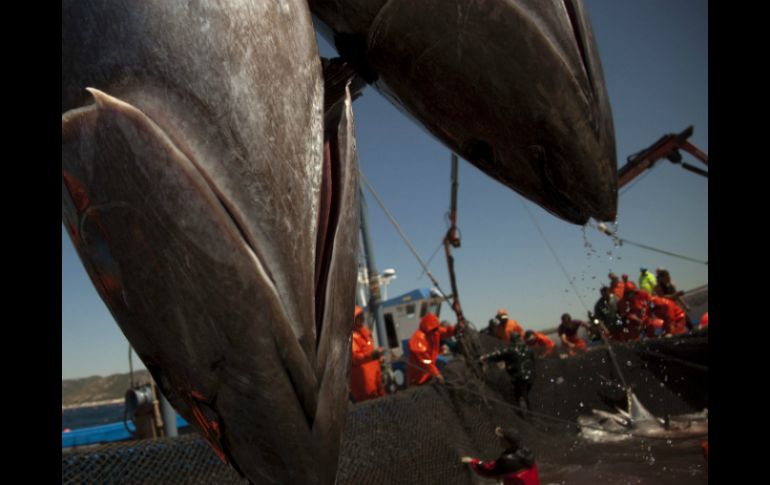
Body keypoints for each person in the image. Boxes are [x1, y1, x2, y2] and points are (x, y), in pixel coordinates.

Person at [462, 427, 540, 485]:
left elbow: (488, 470)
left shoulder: (507, 460)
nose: (499, 440)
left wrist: (473, 461)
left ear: (509, 443)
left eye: (502, 439)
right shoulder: (527, 452)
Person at [480, 333, 536, 412]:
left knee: (518, 395)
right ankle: (527, 410)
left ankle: (525, 413)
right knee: (524, 394)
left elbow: (497, 355)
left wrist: (483, 358)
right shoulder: (529, 349)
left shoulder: (511, 350)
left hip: (519, 378)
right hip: (530, 377)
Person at [407, 313, 455, 386]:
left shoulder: (434, 331)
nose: (436, 331)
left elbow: (446, 332)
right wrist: (436, 373)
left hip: (429, 374)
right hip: (419, 378)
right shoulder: (418, 338)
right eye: (434, 329)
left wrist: (455, 329)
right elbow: (426, 361)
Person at [350, 306, 385, 402]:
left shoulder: (366, 335)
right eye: (358, 316)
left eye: (362, 315)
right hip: (364, 386)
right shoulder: (352, 338)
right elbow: (356, 357)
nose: (362, 318)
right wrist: (373, 355)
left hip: (376, 381)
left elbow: (369, 355)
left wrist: (378, 360)